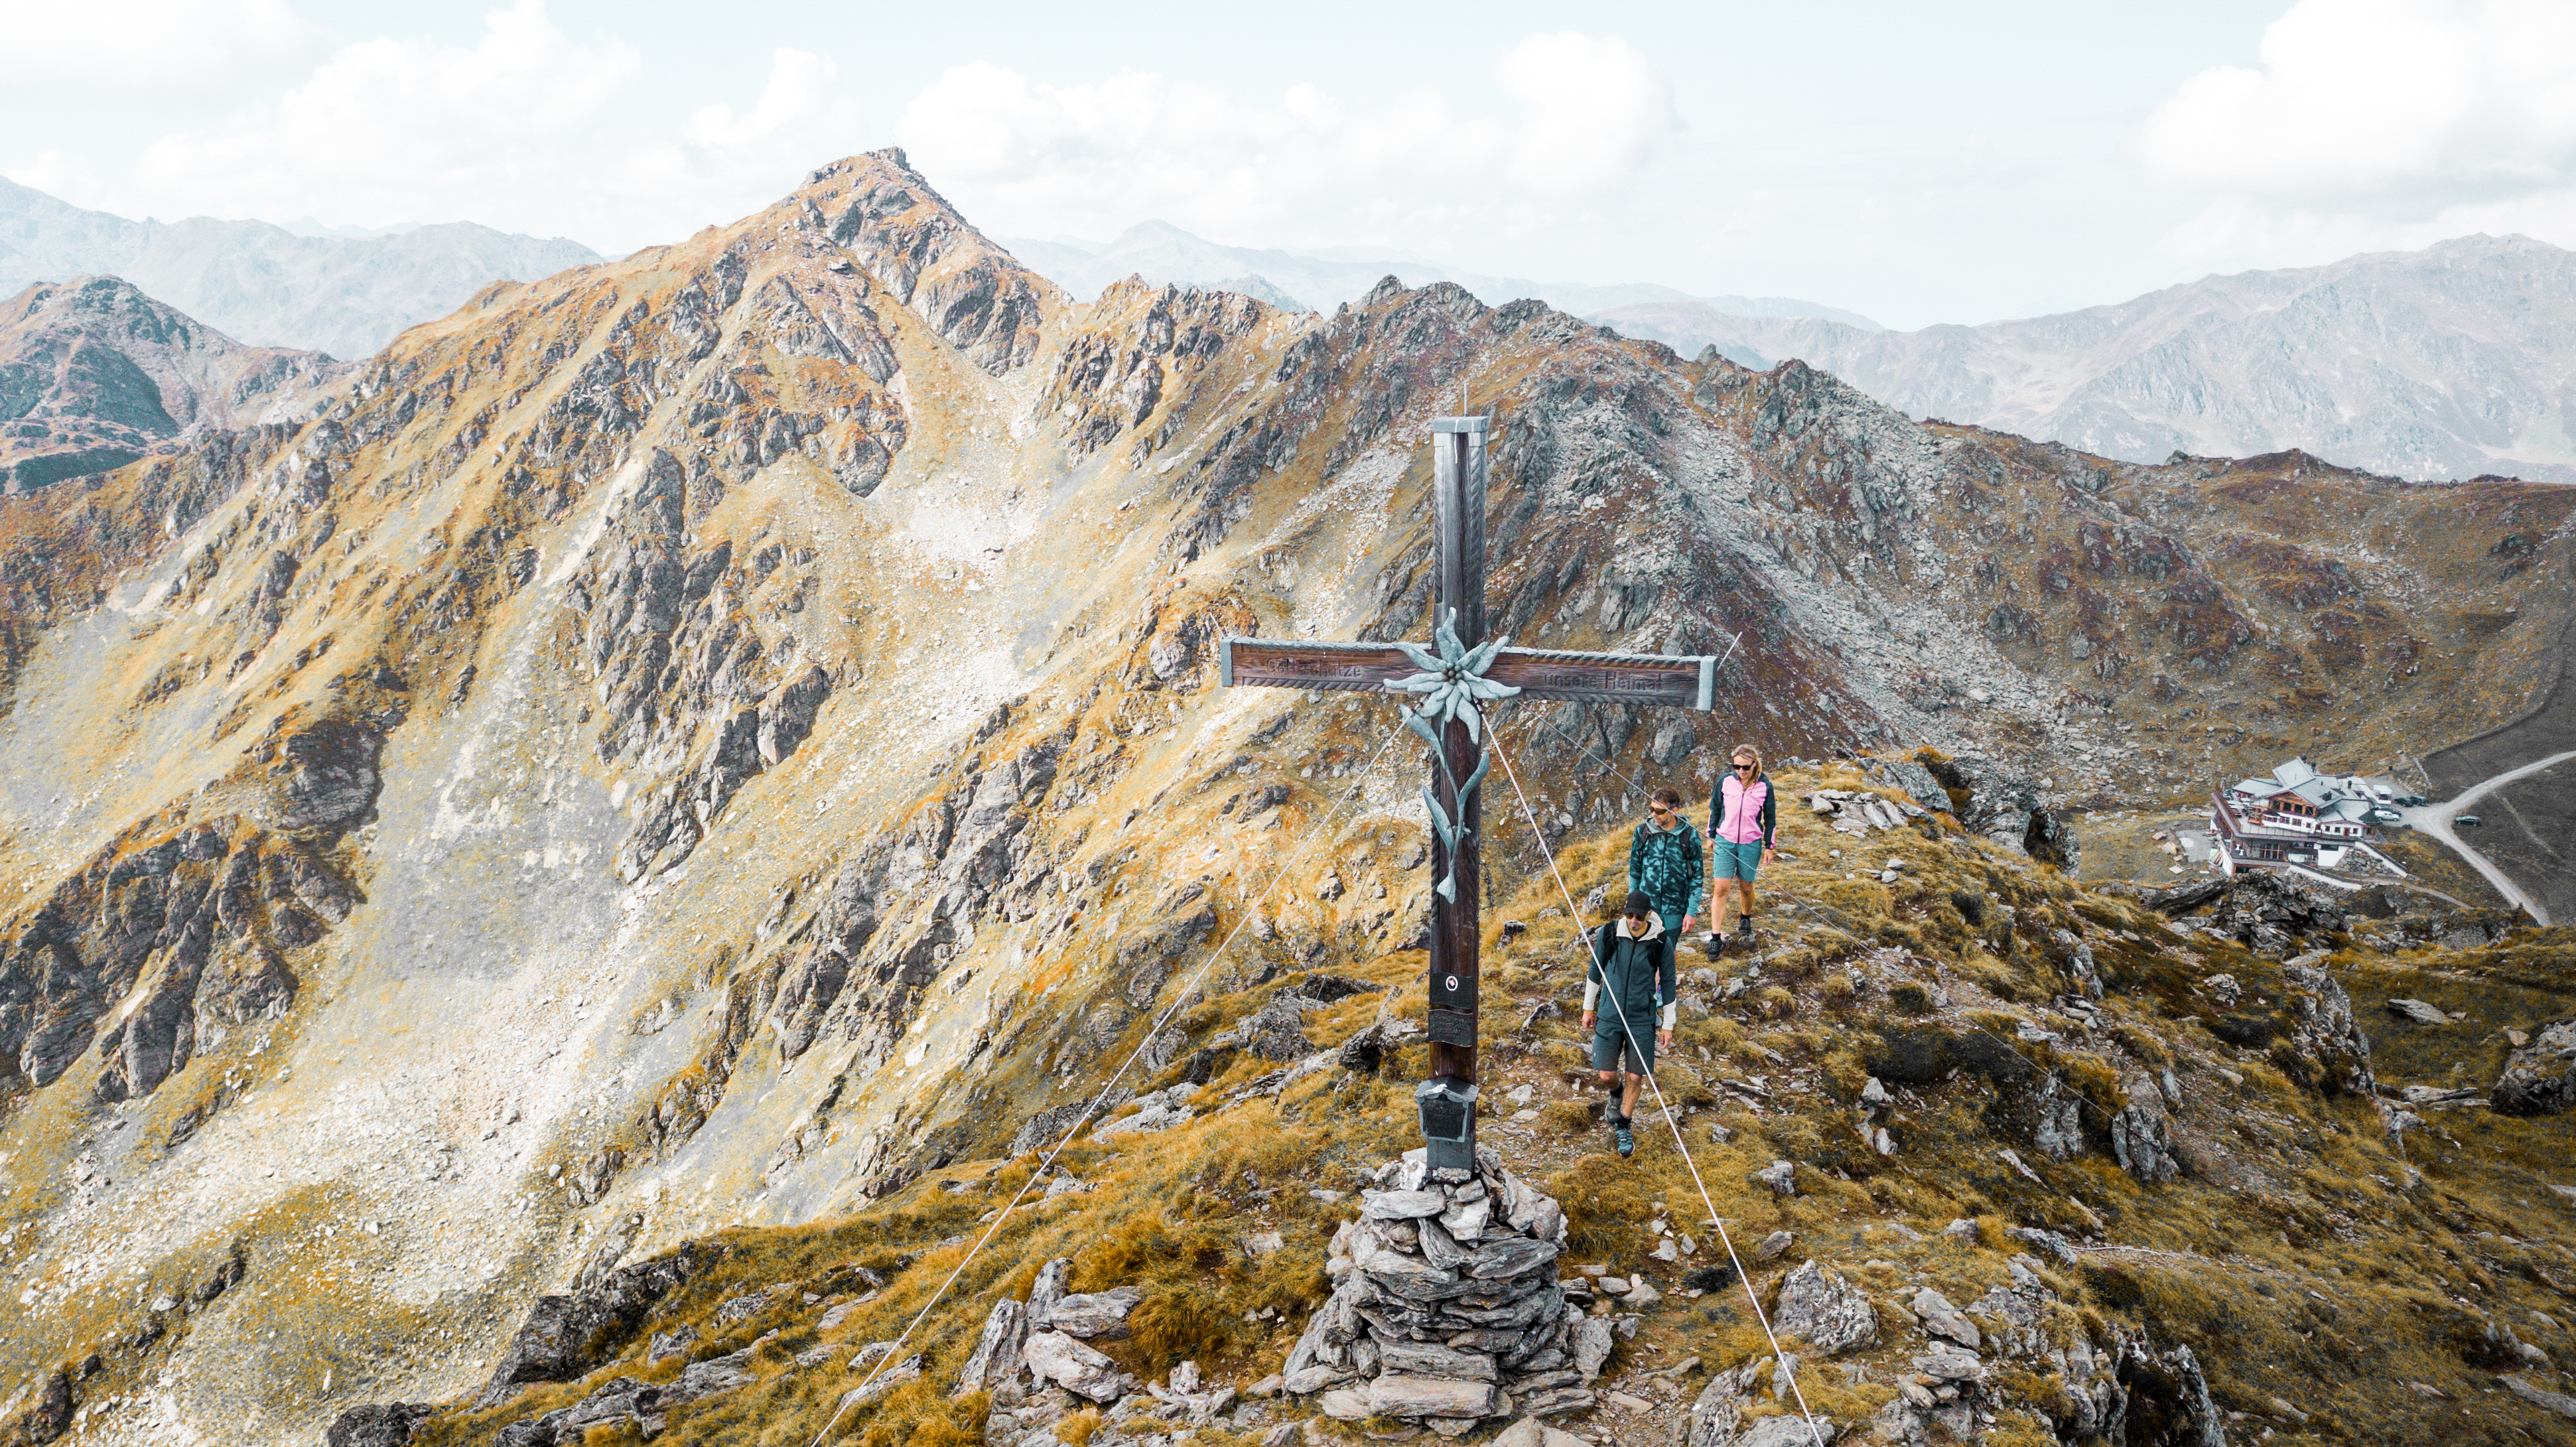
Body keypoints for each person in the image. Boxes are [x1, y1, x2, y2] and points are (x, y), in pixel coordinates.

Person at [1581, 892, 1678, 1159]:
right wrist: (1588, 1008)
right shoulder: (1610, 933)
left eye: (1639, 917)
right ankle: (1617, 1092)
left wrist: (1668, 1024)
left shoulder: (1661, 941)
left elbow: (1669, 981)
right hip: (1610, 1014)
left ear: (1649, 915)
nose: (1634, 921)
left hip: (1641, 1018)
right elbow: (1595, 969)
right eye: (1630, 915)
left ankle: (1624, 1124)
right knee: (1606, 1075)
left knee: (1636, 1076)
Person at [1706, 744, 1778, 952]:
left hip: (1750, 843)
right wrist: (1711, 834)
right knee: (1721, 889)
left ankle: (1745, 917)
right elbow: (1715, 808)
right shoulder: (1725, 781)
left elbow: (1770, 818)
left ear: (1754, 764)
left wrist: (1769, 846)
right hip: (1725, 840)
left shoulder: (1765, 786)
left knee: (1746, 887)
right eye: (1736, 766)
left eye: (1745, 767)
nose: (1741, 771)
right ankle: (1716, 937)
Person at [1627, 786, 1704, 943]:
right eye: (1651, 809)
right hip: (1646, 907)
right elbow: (1635, 869)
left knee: (1669, 950)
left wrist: (1691, 912)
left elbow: (1697, 876)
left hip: (1675, 909)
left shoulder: (1689, 835)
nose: (1654, 814)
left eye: (1659, 811)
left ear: (1673, 811)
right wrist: (1632, 901)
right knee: (1644, 950)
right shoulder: (1643, 831)